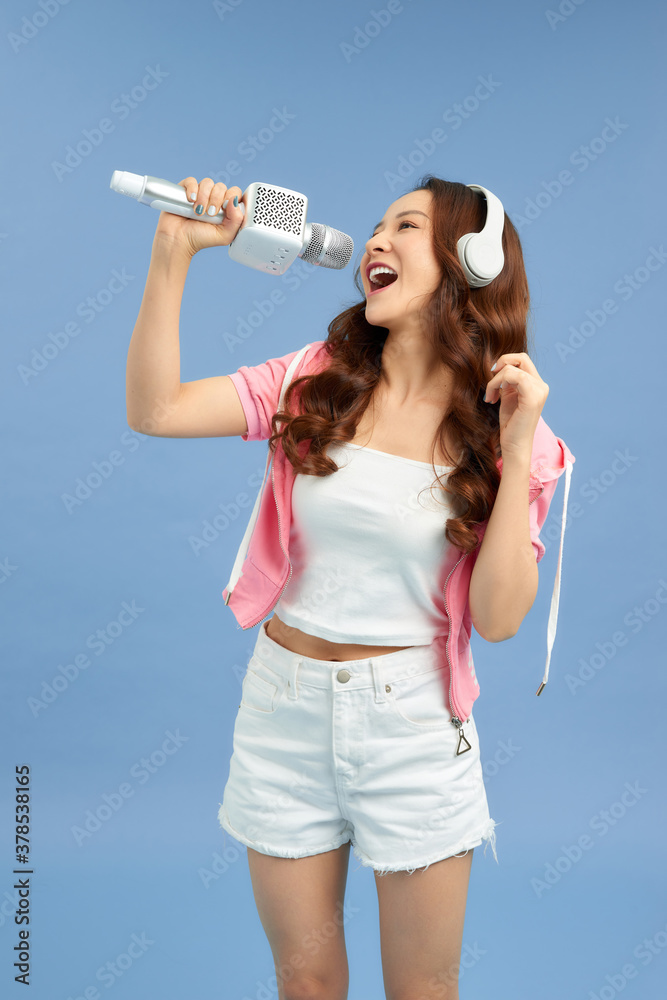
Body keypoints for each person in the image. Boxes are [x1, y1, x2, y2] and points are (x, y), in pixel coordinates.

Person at [126, 174, 575, 1000]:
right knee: (305, 986)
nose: (374, 240)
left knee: (420, 992)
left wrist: (515, 449)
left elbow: (500, 619)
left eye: (404, 227)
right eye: (375, 226)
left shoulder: (513, 430)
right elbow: (156, 410)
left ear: (470, 262)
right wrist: (174, 251)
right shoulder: (314, 377)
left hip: (408, 726)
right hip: (280, 708)